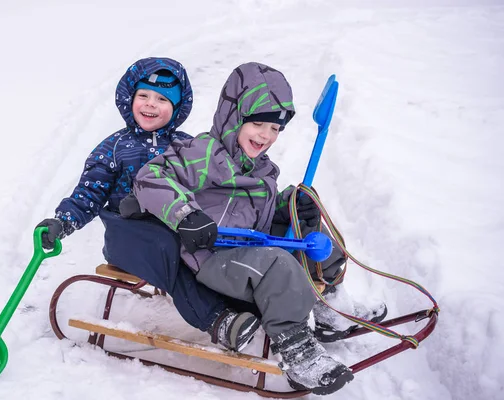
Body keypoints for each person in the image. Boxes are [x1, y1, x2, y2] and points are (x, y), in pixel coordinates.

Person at [130, 62, 386, 395]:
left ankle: (331, 309)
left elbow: (260, 215)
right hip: (211, 257)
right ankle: (297, 352)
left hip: (247, 250)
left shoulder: (263, 170)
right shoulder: (203, 153)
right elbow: (149, 179)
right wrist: (186, 215)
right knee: (278, 265)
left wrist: (289, 204)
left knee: (314, 237)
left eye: (275, 129)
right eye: (258, 124)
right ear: (235, 116)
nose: (266, 136)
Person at [35, 57, 260, 352]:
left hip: (174, 225)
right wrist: (62, 222)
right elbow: (88, 195)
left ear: (177, 107)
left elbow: (213, 185)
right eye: (143, 95)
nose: (151, 104)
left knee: (203, 242)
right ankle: (218, 320)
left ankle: (244, 302)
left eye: (162, 99)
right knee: (168, 250)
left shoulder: (186, 146)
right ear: (130, 98)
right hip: (126, 236)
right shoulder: (113, 148)